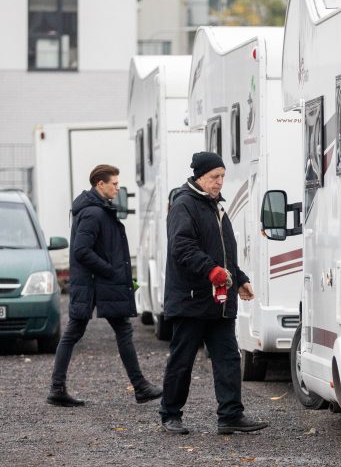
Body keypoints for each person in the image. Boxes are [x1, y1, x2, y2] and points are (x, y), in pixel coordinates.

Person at [159, 152, 268, 435]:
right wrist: (212, 272)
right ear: (199, 177)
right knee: (182, 360)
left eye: (222, 176)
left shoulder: (215, 206)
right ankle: (170, 414)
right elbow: (182, 248)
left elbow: (224, 251)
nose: (220, 182)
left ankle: (230, 415)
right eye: (214, 177)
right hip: (191, 300)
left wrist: (239, 278)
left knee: (229, 358)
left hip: (219, 302)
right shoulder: (184, 205)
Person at [47, 165, 163, 407]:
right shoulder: (93, 213)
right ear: (101, 184)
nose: (118, 188)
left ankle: (58, 388)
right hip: (95, 283)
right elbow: (81, 251)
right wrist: (110, 270)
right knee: (91, 332)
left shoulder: (97, 210)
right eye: (115, 184)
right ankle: (139, 386)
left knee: (89, 331)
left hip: (98, 283)